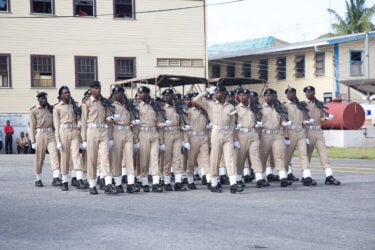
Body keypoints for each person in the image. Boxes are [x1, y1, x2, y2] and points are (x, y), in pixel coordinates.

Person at [193, 85, 243, 193]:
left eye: (219, 92)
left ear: (224, 94)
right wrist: (206, 92)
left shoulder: (230, 107)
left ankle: (233, 183)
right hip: (216, 133)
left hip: (227, 134)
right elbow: (196, 100)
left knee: (229, 158)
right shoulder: (210, 104)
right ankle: (214, 182)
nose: (216, 94)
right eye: (215, 92)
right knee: (214, 159)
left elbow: (232, 124)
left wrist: (234, 138)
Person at [81, 81, 117, 195]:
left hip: (103, 131)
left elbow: (106, 117)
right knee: (92, 159)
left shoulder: (104, 102)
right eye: (95, 88)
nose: (98, 90)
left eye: (99, 88)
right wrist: (84, 139)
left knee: (105, 157)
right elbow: (83, 121)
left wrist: (111, 118)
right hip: (91, 131)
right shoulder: (86, 103)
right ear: (91, 90)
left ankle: (107, 183)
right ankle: (92, 184)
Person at [303, 85, 341, 185]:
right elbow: (300, 120)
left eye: (311, 91)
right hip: (308, 132)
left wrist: (326, 119)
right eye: (307, 92)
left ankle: (329, 176)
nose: (309, 93)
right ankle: (306, 176)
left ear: (314, 92)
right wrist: (306, 122)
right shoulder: (303, 105)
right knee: (307, 155)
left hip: (318, 131)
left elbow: (320, 119)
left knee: (324, 154)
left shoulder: (319, 104)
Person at [53, 86, 88, 191]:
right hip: (64, 132)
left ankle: (79, 179)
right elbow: (56, 125)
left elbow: (79, 119)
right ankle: (64, 180)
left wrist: (82, 136)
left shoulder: (74, 106)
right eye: (64, 93)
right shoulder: (57, 108)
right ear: (60, 95)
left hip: (75, 132)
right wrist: (58, 141)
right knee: (65, 157)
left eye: (68, 92)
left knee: (76, 155)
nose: (67, 94)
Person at [107, 86, 140, 193]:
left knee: (129, 157)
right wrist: (111, 119)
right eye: (116, 93)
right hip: (116, 131)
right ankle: (118, 183)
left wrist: (134, 123)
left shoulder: (128, 105)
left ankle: (130, 184)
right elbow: (106, 119)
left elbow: (132, 119)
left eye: (120, 93)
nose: (118, 95)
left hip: (128, 132)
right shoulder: (111, 105)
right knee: (117, 158)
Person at [259, 89, 292, 188]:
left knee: (279, 156)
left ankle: (283, 178)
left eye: (271, 95)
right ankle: (262, 177)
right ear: (264, 97)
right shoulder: (260, 108)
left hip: (277, 134)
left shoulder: (279, 108)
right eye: (267, 95)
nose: (269, 97)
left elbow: (281, 121)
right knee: (263, 157)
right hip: (265, 135)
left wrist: (285, 124)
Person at [283, 87, 316, 185]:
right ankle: (283, 175)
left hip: (301, 132)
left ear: (295, 93)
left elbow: (303, 120)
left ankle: (306, 176)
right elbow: (283, 121)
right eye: (288, 93)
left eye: (292, 93)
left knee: (304, 154)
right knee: (287, 156)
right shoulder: (284, 106)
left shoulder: (301, 105)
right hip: (290, 132)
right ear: (286, 95)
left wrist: (306, 122)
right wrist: (285, 135)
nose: (290, 95)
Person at [29, 92, 61, 187]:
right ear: (38, 100)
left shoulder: (51, 109)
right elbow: (31, 127)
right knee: (40, 157)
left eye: (45, 98)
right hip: (40, 134)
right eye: (41, 99)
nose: (43, 100)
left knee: (55, 154)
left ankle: (56, 178)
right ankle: (37, 178)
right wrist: (33, 141)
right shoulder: (33, 111)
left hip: (51, 133)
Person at [136, 86, 163, 192]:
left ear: (147, 94)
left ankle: (156, 183)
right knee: (144, 159)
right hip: (143, 133)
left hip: (154, 133)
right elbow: (135, 125)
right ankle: (145, 183)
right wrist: (135, 139)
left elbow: (158, 121)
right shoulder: (137, 107)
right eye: (139, 93)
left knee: (155, 158)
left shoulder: (155, 106)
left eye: (142, 93)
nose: (140, 95)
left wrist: (162, 124)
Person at [235, 89, 264, 188]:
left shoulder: (254, 108)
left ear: (248, 96)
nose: (242, 97)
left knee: (255, 155)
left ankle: (259, 178)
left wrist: (259, 125)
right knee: (241, 157)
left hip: (253, 133)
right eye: (240, 95)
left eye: (244, 95)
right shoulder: (236, 108)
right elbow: (232, 122)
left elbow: (259, 119)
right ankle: (239, 178)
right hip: (242, 134)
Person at [159, 89, 187, 191]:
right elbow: (158, 124)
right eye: (165, 96)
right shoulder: (161, 108)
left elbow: (181, 122)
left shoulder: (177, 107)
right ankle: (166, 182)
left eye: (169, 95)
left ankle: (178, 182)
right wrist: (161, 142)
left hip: (177, 133)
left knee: (177, 159)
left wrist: (184, 137)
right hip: (167, 133)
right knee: (167, 159)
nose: (167, 97)